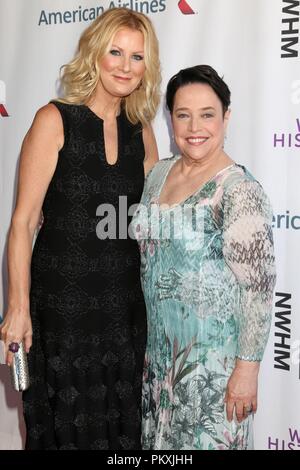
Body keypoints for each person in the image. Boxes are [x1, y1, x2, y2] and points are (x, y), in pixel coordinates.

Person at [0, 7, 161, 450]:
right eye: (116, 52)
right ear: (95, 54)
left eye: (137, 57)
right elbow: (23, 222)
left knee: (119, 431)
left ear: (148, 67)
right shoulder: (53, 120)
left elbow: (151, 222)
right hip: (61, 311)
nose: (126, 66)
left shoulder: (142, 131)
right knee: (60, 426)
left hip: (123, 311)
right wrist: (17, 307)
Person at [131, 65, 276, 450]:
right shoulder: (157, 175)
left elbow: (258, 290)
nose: (195, 126)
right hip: (159, 369)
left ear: (226, 117)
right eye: (183, 114)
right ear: (171, 119)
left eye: (208, 114)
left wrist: (247, 370)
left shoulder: (238, 190)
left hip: (213, 375)